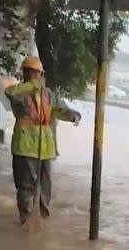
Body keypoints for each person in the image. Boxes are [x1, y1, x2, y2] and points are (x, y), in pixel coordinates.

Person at [4, 56, 81, 224]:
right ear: (24, 74)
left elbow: (61, 110)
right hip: (25, 146)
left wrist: (73, 115)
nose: (34, 76)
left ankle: (43, 219)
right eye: (30, 72)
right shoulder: (20, 92)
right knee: (26, 186)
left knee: (45, 185)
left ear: (40, 74)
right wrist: (31, 86)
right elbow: (9, 93)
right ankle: (25, 219)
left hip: (45, 149)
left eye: (36, 73)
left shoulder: (48, 94)